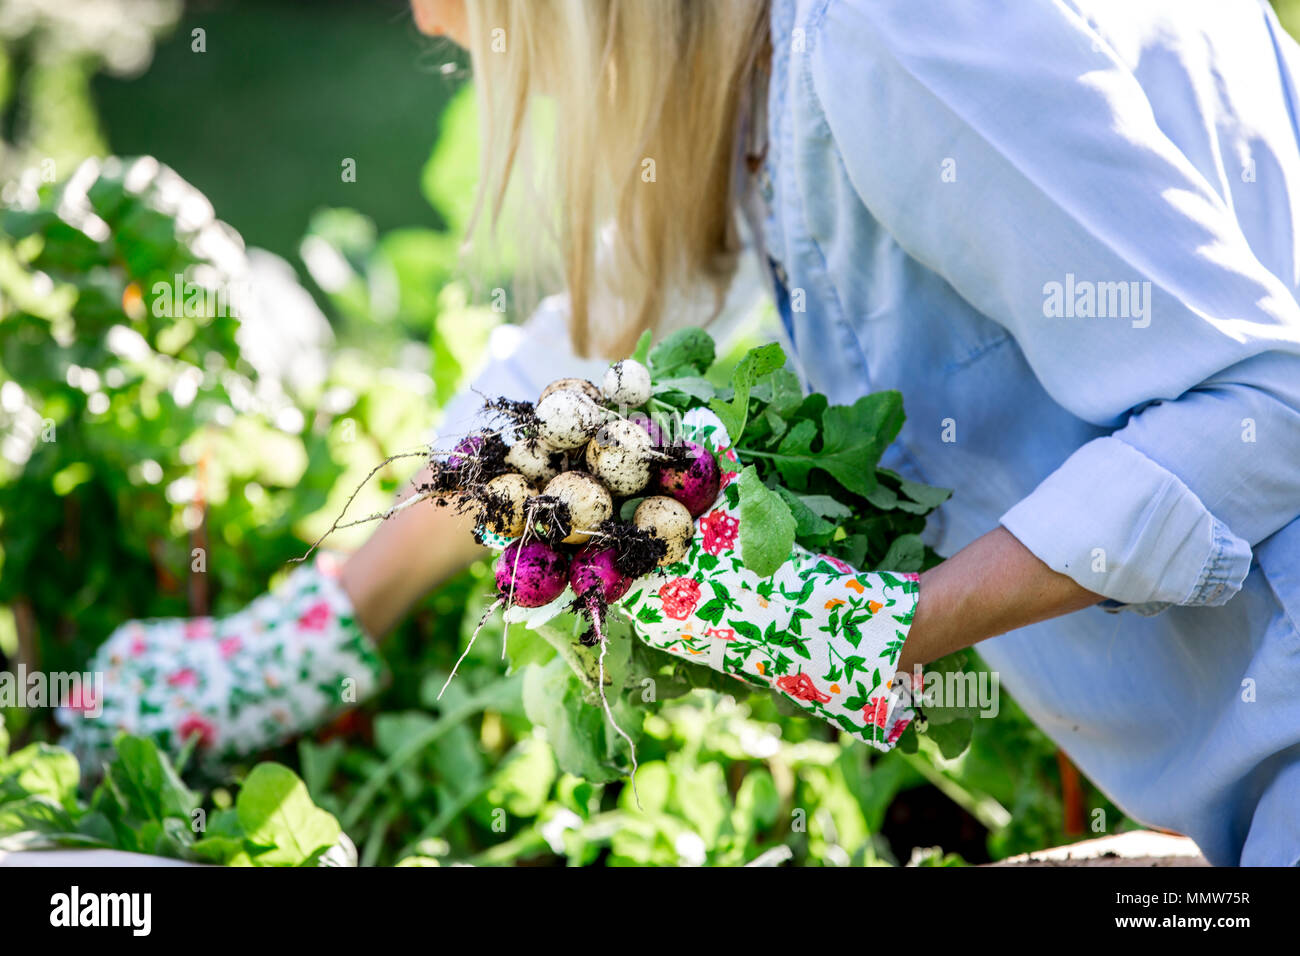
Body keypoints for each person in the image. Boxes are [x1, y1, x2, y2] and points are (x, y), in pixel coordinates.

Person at [66, 0, 1300, 866]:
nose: (431, 20)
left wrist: (888, 629)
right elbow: (588, 346)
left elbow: (1267, 404)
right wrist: (327, 617)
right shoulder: (775, 55)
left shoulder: (900, 30)